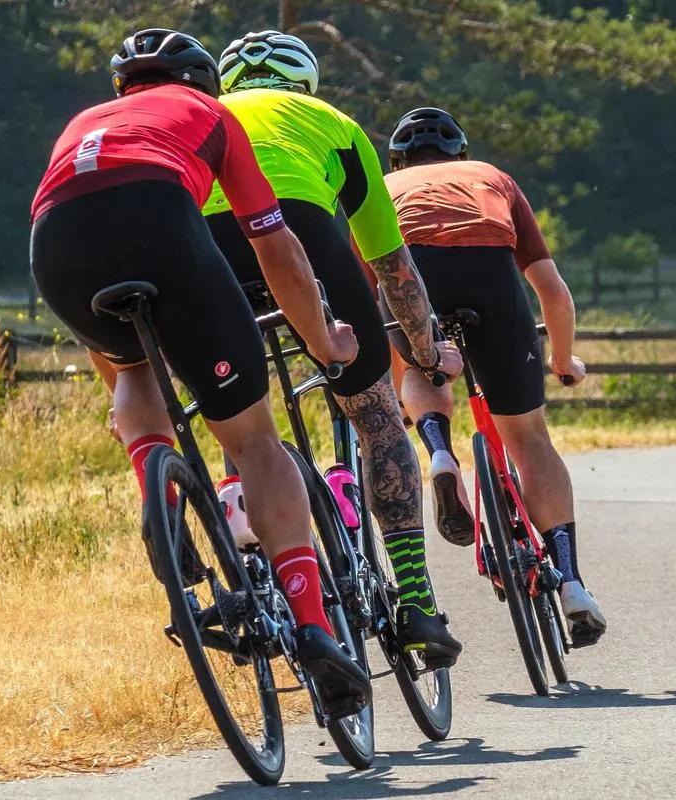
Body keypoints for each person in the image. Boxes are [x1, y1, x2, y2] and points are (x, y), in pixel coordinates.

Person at [28, 29, 371, 716]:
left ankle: (156, 485)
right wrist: (325, 341)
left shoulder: (83, 123)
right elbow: (277, 249)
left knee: (130, 366)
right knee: (252, 439)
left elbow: (103, 331)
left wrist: (141, 405)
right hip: (158, 217)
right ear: (202, 82)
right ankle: (313, 627)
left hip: (53, 243)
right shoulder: (213, 115)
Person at [197, 30, 469, 668]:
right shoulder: (335, 123)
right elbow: (391, 264)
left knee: (242, 423)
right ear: (307, 84)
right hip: (306, 239)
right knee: (377, 419)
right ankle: (417, 604)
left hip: (208, 247)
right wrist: (427, 353)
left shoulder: (202, 114)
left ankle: (258, 580)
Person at [380, 107, 606, 644]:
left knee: (419, 367)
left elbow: (367, 295)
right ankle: (570, 580)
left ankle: (439, 450)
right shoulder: (492, 177)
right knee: (529, 440)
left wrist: (405, 363)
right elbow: (551, 289)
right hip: (490, 277)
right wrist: (562, 360)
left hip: (412, 270)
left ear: (397, 160)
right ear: (460, 153)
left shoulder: (384, 188)